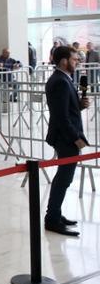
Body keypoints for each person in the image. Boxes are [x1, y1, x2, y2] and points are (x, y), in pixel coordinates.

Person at [44, 46, 90, 236]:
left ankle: (55, 213)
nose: (77, 61)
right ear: (63, 61)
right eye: (74, 59)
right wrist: (76, 138)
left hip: (65, 136)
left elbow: (66, 109)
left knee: (63, 179)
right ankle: (52, 219)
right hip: (65, 138)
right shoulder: (60, 81)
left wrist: (79, 105)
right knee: (64, 179)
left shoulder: (63, 79)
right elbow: (61, 116)